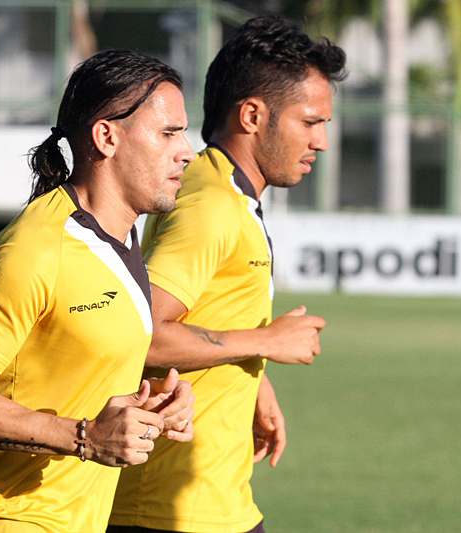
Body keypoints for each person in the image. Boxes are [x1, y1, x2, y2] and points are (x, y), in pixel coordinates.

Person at [0, 49, 197, 533]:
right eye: (169, 133)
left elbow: (76, 373)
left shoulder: (125, 236)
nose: (187, 149)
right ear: (107, 137)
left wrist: (151, 411)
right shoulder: (37, 247)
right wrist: (85, 438)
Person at [108, 16, 346, 533]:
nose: (321, 141)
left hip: (212, 501)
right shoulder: (213, 204)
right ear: (254, 114)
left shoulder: (220, 189)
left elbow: (203, 310)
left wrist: (255, 381)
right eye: (309, 122)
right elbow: (141, 337)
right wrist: (265, 341)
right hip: (171, 512)